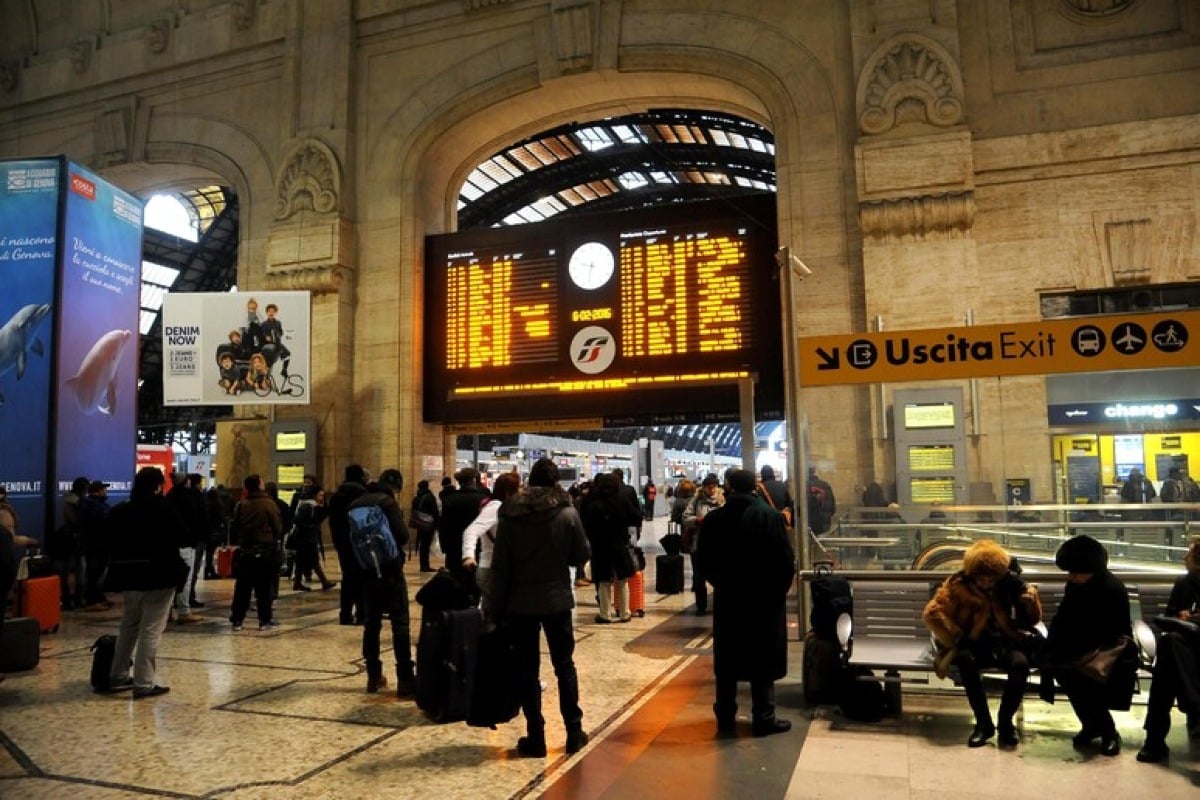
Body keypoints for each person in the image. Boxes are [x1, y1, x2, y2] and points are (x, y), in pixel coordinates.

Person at [490, 457, 591, 757]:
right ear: (555, 481)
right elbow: (580, 555)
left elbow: (501, 567)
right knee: (564, 666)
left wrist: (494, 609)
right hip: (557, 599)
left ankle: (536, 737)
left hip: (520, 603)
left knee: (527, 671)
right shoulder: (568, 513)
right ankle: (574, 732)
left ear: (530, 481)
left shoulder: (510, 514)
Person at [694, 468, 795, 736]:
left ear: (729, 487)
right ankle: (764, 717)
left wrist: (721, 584)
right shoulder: (770, 517)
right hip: (764, 601)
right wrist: (776, 593)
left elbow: (702, 560)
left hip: (730, 600)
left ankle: (725, 719)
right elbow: (785, 562)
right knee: (763, 656)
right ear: (755, 487)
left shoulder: (715, 519)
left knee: (728, 659)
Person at [922, 540, 1043, 747]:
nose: (986, 583)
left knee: (1019, 664)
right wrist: (956, 636)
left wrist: (1029, 603)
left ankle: (1005, 722)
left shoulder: (1009, 584)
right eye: (981, 578)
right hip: (973, 642)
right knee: (966, 661)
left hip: (1004, 642)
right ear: (972, 574)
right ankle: (983, 723)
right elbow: (934, 612)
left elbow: (1030, 621)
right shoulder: (958, 585)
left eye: (991, 578)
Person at [1041, 534, 1133, 757]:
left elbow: (1111, 631)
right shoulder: (1076, 586)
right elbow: (1064, 618)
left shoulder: (1112, 589)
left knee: (1080, 678)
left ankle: (1107, 731)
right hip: (1079, 648)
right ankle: (1093, 726)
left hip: (1109, 653)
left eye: (1075, 572)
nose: (1071, 577)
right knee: (1064, 670)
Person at [102, 467, 189, 698]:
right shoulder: (164, 509)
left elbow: (107, 540)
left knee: (128, 626)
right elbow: (181, 535)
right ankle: (144, 683)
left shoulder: (121, 511)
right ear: (158, 486)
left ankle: (118, 675)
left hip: (128, 576)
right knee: (151, 629)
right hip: (160, 574)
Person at [349, 469, 415, 696]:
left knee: (372, 623)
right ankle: (406, 680)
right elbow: (403, 536)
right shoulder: (387, 502)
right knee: (400, 623)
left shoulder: (355, 504)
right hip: (391, 571)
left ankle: (373, 677)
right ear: (395, 486)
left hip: (367, 570)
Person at [1137, 538, 1200, 763]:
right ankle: (1195, 707)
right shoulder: (1185, 583)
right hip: (1187, 650)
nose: (1185, 557)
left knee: (1169, 654)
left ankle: (1154, 740)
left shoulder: (1186, 582)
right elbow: (1171, 616)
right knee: (1171, 645)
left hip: (1189, 653)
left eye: (1190, 553)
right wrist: (1185, 618)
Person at [580, 473, 641, 624]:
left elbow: (585, 523)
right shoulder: (622, 501)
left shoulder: (593, 502)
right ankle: (624, 613)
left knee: (603, 581)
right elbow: (637, 517)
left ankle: (605, 614)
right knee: (622, 580)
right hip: (619, 543)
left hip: (599, 546)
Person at [461, 472, 520, 624]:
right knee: (496, 619)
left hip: (496, 569)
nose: (520, 492)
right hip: (491, 570)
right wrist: (468, 556)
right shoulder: (495, 507)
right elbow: (471, 531)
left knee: (492, 617)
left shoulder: (503, 507)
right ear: (508, 492)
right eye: (517, 488)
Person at [228, 474, 284, 631]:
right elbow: (278, 528)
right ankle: (264, 620)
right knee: (264, 587)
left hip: (245, 551)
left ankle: (237, 620)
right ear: (260, 486)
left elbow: (235, 526)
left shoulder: (241, 505)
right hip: (265, 551)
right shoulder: (269, 504)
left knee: (242, 588)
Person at [328, 464, 369, 625]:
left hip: (343, 543)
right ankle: (361, 614)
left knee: (347, 578)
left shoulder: (337, 496)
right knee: (362, 578)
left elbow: (333, 522)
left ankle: (345, 614)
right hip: (360, 542)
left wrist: (338, 542)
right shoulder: (363, 494)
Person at [166, 474, 205, 622]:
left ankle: (167, 612)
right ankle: (184, 611)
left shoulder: (168, 497)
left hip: (170, 543)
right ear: (186, 482)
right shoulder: (190, 499)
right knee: (185, 579)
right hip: (186, 543)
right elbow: (198, 520)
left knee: (169, 578)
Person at [682, 473, 723, 615]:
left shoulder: (723, 501)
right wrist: (698, 520)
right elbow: (685, 518)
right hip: (699, 545)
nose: (712, 490)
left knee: (719, 578)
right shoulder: (697, 500)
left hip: (718, 546)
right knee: (699, 577)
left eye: (714, 487)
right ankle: (701, 606)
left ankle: (720, 605)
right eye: (709, 487)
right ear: (704, 488)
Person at [439, 466, 488, 578]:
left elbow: (444, 526)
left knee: (455, 584)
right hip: (478, 548)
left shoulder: (450, 500)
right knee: (476, 583)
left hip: (454, 549)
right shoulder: (483, 500)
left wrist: (445, 548)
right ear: (474, 480)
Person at [51, 477, 88, 609]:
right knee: (78, 570)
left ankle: (68, 599)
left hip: (68, 540)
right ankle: (75, 599)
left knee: (68, 571)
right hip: (74, 540)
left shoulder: (68, 501)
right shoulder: (79, 503)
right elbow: (77, 521)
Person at [292, 488, 335, 591]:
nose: (322, 498)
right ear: (314, 495)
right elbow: (297, 520)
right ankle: (324, 582)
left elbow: (321, 517)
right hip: (306, 538)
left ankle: (297, 583)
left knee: (301, 561)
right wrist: (311, 527)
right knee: (314, 561)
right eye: (320, 495)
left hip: (307, 538)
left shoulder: (313, 506)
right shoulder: (308, 506)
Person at [78, 480, 112, 610]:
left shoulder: (95, 504)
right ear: (97, 491)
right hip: (94, 544)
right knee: (94, 572)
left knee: (98, 572)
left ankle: (98, 597)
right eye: (104, 490)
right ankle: (91, 601)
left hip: (98, 544)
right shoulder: (91, 505)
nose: (106, 492)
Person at [410, 479, 441, 572]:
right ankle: (425, 566)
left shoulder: (416, 498)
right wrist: (437, 525)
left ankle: (423, 565)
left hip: (419, 524)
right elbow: (434, 511)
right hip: (428, 524)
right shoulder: (430, 497)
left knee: (422, 545)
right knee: (426, 545)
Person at [806, 467, 836, 534]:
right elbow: (833, 507)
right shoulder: (826, 485)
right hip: (824, 523)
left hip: (811, 524)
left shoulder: (805, 485)